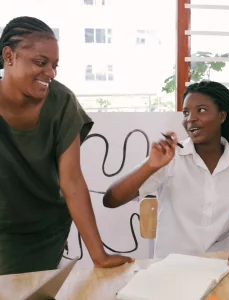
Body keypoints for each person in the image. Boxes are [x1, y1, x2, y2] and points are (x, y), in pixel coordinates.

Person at [0, 16, 133, 275]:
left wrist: (100, 256)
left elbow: (71, 181)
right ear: (8, 56)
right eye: (40, 63)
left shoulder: (62, 103)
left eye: (54, 65)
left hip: (46, 230)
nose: (50, 73)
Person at [103, 80, 229, 268]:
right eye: (186, 112)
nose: (191, 118)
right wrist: (150, 165)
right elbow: (111, 200)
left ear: (222, 116)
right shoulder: (171, 158)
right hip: (171, 267)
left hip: (222, 265)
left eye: (201, 110)